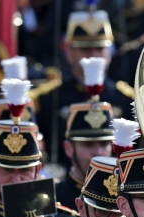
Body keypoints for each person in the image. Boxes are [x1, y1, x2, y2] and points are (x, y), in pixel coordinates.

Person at [38, 8, 133, 165]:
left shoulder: (126, 99)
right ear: (69, 52)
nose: (94, 54)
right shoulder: (47, 99)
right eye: (85, 49)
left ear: (109, 52)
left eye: (100, 48)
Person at [54, 61, 116, 210]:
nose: (98, 153)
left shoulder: (124, 196)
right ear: (68, 149)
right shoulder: (52, 198)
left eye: (104, 144)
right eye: (88, 145)